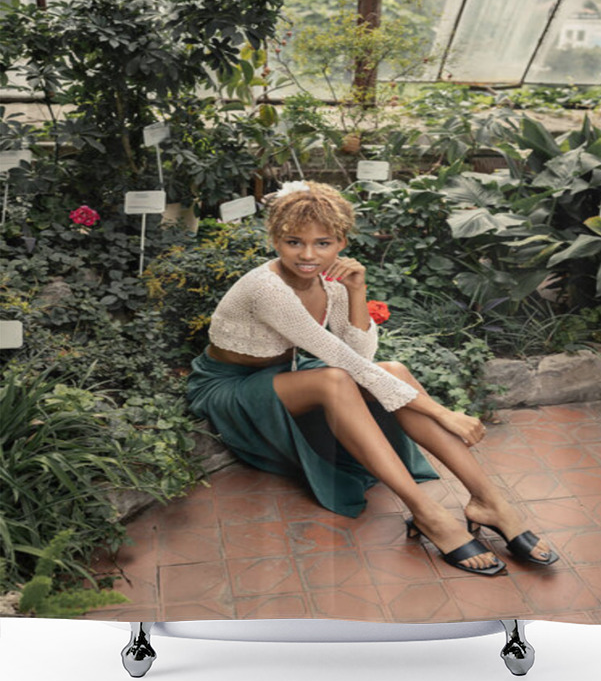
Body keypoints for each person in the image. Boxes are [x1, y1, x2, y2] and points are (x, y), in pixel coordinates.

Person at [187, 180, 557, 575]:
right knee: (337, 380)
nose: (308, 255)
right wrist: (442, 412)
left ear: (341, 242)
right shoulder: (268, 289)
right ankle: (426, 512)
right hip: (230, 387)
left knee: (393, 371)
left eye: (323, 243)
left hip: (289, 375)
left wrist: (356, 291)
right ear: (276, 240)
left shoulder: (333, 281)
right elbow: (341, 359)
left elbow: (363, 356)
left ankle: (489, 501)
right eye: (294, 242)